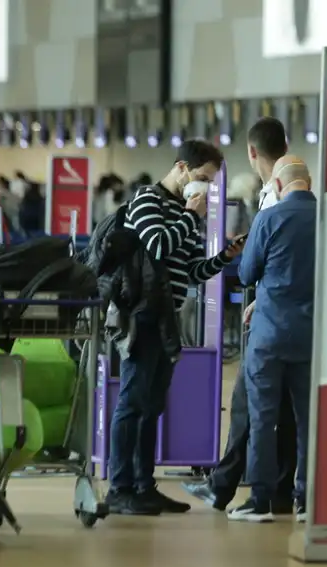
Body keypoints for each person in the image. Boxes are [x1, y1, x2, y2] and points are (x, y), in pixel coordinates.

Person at [106, 139, 245, 516]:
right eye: (201, 178)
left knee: (152, 405)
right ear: (181, 168)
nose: (204, 187)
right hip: (143, 315)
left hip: (169, 317)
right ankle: (119, 488)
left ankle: (142, 484)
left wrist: (224, 257)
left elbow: (193, 270)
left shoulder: (186, 212)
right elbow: (156, 245)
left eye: (210, 183)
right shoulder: (148, 199)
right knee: (133, 402)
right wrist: (190, 215)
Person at [183, 117, 298, 514]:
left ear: (252, 152)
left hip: (273, 320)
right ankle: (271, 490)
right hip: (285, 313)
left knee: (252, 404)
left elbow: (257, 266)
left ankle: (236, 488)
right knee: (278, 408)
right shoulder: (295, 193)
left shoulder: (276, 196)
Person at [231, 155, 316, 523]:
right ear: (308, 183)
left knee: (262, 417)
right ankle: (307, 500)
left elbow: (247, 273)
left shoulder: (269, 218)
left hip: (269, 335)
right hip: (311, 335)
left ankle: (260, 501)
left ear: (278, 186)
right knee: (307, 419)